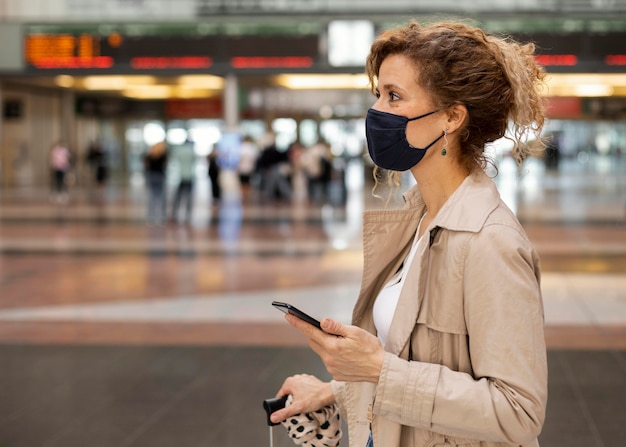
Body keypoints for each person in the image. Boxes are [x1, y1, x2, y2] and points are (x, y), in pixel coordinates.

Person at [271, 21, 548, 447]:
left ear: (452, 117)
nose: (378, 112)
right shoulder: (418, 219)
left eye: (394, 96)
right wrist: (332, 389)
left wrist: (376, 369)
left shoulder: (490, 241)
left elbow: (518, 413)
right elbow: (410, 362)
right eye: (378, 94)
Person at [170, 139, 197, 223]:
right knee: (188, 197)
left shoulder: (180, 151)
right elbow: (195, 160)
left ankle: (175, 213)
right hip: (190, 176)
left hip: (182, 176)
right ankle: (187, 214)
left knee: (178, 197)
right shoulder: (191, 151)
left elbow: (174, 158)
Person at [144, 141, 168, 224]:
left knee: (152, 196)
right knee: (160, 197)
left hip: (152, 176)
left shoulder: (149, 156)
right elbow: (165, 165)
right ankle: (161, 216)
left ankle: (151, 216)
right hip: (159, 176)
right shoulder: (162, 156)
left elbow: (146, 167)